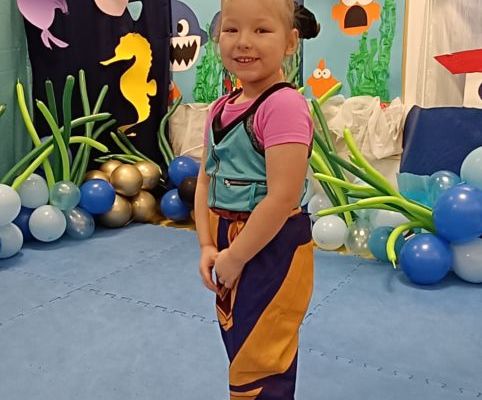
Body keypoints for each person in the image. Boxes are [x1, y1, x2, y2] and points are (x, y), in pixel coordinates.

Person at [194, 0, 314, 398]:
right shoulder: (220, 107)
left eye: (261, 30)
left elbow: (281, 198)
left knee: (263, 356)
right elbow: (205, 181)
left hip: (271, 245)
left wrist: (237, 255)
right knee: (240, 343)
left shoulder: (283, 105)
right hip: (229, 240)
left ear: (290, 42)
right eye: (231, 30)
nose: (243, 42)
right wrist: (208, 245)